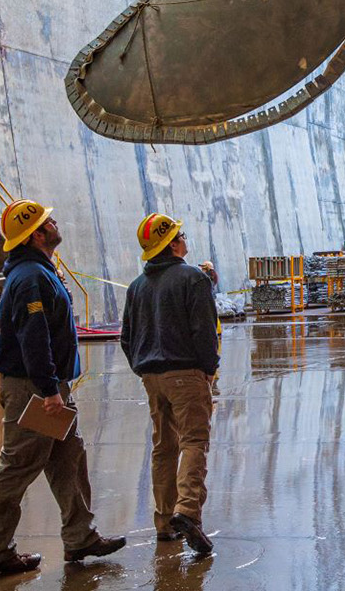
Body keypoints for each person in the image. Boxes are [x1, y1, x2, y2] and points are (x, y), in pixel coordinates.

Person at [0, 199, 126, 577]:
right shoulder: (30, 278)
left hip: (47, 386)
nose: (55, 223)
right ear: (36, 234)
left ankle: (80, 536)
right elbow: (33, 338)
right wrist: (47, 391)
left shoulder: (39, 272)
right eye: (48, 221)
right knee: (17, 467)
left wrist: (53, 387)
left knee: (68, 459)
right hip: (35, 390)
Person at [121, 213, 220, 556]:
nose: (184, 239)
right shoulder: (193, 279)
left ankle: (164, 522)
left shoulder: (136, 287)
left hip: (152, 376)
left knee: (164, 447)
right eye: (181, 234)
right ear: (173, 243)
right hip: (186, 374)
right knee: (194, 441)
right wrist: (209, 369)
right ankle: (187, 511)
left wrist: (143, 367)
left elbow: (126, 338)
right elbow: (205, 331)